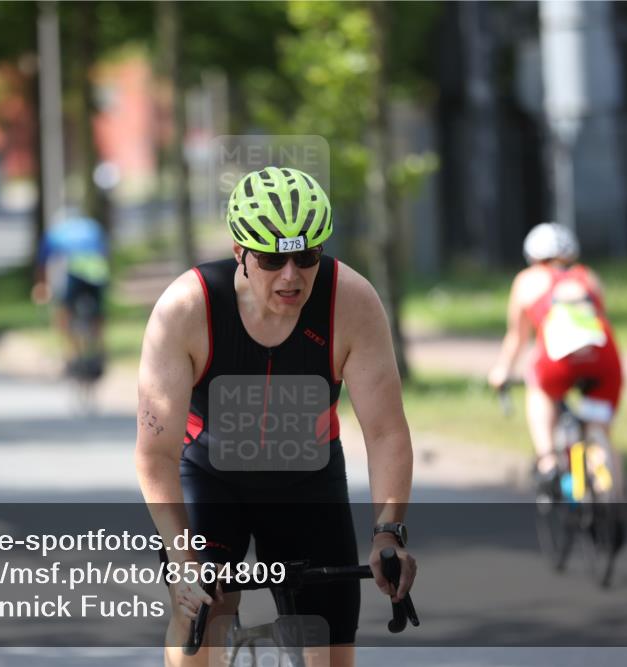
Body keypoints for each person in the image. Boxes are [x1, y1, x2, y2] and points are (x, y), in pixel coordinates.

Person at [135, 166, 416, 667]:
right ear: (240, 251)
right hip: (211, 477)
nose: (291, 275)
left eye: (306, 256)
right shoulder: (186, 307)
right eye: (270, 258)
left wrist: (388, 532)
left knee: (329, 642)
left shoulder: (351, 302)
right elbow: (155, 452)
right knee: (201, 615)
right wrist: (181, 556)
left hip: (307, 480)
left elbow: (386, 432)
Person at [487, 222, 624, 498]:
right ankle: (609, 496)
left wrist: (502, 370)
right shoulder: (589, 277)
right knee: (599, 431)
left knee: (538, 386)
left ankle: (547, 459)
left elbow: (518, 337)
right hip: (604, 359)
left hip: (557, 362)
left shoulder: (526, 280)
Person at [32, 207, 110, 380]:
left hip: (75, 273)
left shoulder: (56, 232)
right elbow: (105, 252)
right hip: (97, 272)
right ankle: (101, 349)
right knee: (98, 313)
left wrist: (42, 287)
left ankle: (72, 354)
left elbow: (42, 264)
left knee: (63, 310)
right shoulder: (93, 227)